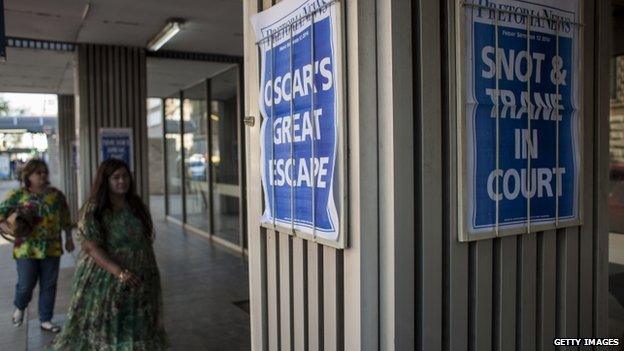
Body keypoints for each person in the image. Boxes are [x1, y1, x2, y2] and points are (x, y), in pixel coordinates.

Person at [49, 158, 169, 350]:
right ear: (106, 181)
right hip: (106, 280)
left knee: (138, 326)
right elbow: (91, 247)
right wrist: (120, 272)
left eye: (125, 176)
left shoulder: (135, 204)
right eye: (116, 177)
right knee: (110, 328)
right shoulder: (94, 208)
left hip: (140, 278)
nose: (122, 181)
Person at [0, 158, 73, 333]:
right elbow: (1, 216)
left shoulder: (55, 195)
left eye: (44, 172)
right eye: (38, 172)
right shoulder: (17, 196)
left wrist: (69, 237)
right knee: (26, 284)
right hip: (26, 248)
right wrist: (9, 227)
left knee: (49, 284)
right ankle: (20, 305)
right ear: (28, 176)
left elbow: (65, 217)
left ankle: (45, 319)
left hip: (51, 247)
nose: (43, 175)